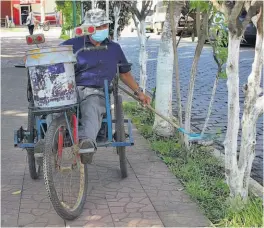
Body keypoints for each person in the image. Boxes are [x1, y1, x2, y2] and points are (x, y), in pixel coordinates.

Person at [57, 8, 150, 164]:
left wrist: (139, 93)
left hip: (97, 92)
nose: (101, 29)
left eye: (103, 26)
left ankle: (86, 143)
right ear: (88, 28)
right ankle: (48, 142)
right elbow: (52, 58)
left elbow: (125, 74)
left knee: (91, 106)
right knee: (54, 108)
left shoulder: (114, 48)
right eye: (97, 27)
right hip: (71, 90)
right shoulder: (72, 45)